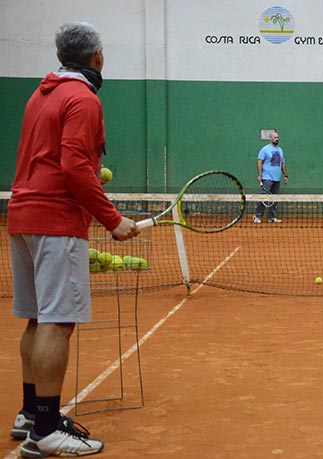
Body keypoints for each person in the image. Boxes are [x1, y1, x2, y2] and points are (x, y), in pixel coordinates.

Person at [8, 22, 138, 457]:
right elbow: (75, 167)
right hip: (56, 220)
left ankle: (31, 413)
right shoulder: (83, 99)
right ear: (97, 58)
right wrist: (112, 219)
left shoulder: (40, 94)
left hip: (23, 216)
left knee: (36, 318)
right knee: (57, 321)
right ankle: (45, 428)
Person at [253, 130, 288, 224]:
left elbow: (283, 164)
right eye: (275, 137)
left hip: (277, 178)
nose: (277, 139)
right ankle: (257, 216)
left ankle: (271, 217)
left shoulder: (280, 150)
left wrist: (285, 175)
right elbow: (259, 162)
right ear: (270, 138)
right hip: (267, 177)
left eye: (278, 138)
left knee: (275, 199)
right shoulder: (265, 149)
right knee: (264, 198)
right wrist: (260, 175)